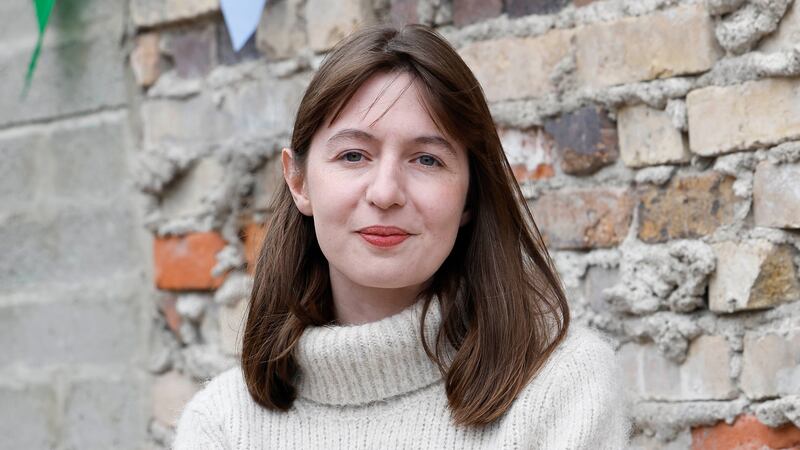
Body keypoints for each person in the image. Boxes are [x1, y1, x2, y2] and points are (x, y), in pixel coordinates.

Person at [172, 23, 630, 449]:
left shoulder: (563, 386)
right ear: (299, 181)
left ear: (471, 194)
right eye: (353, 155)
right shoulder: (223, 425)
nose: (386, 192)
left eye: (426, 160)